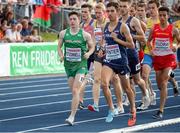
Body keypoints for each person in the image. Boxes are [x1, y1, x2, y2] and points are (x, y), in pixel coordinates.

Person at [101, 2, 136, 126]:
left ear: (117, 12)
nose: (109, 13)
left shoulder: (123, 27)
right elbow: (104, 42)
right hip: (109, 61)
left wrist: (117, 40)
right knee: (104, 83)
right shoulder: (105, 26)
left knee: (127, 88)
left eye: (112, 11)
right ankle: (111, 109)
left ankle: (133, 109)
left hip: (121, 62)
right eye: (108, 11)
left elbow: (131, 45)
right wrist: (101, 50)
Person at [58, 11, 94, 125]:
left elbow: (92, 47)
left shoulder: (85, 35)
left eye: (74, 19)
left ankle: (72, 116)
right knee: (74, 92)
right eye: (71, 19)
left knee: (75, 90)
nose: (72, 21)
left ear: (79, 20)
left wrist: (88, 53)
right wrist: (61, 55)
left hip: (81, 66)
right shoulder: (63, 33)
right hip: (68, 66)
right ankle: (86, 80)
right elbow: (59, 46)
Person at [147, 6, 180, 119]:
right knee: (160, 86)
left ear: (168, 16)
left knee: (164, 82)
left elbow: (179, 41)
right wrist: (151, 50)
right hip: (157, 59)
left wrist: (176, 46)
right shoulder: (154, 28)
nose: (162, 17)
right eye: (160, 15)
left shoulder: (173, 29)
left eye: (164, 15)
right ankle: (174, 82)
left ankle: (160, 111)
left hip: (168, 58)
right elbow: (148, 41)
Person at [119, 0, 150, 110]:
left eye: (124, 6)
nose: (122, 8)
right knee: (124, 79)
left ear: (129, 8)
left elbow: (143, 37)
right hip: (122, 55)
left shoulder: (134, 21)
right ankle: (128, 101)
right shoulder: (118, 21)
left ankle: (146, 94)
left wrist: (130, 35)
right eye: (120, 6)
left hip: (132, 54)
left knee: (137, 80)